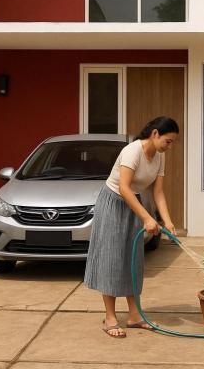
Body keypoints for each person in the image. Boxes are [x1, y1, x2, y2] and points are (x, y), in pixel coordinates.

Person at [84, 116, 179, 338]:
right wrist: (147, 218)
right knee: (112, 258)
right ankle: (110, 317)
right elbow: (124, 188)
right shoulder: (132, 151)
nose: (169, 146)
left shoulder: (160, 156)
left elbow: (158, 192)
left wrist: (168, 221)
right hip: (113, 202)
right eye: (168, 141)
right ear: (154, 134)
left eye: (172, 142)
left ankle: (135, 316)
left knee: (133, 259)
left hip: (133, 203)